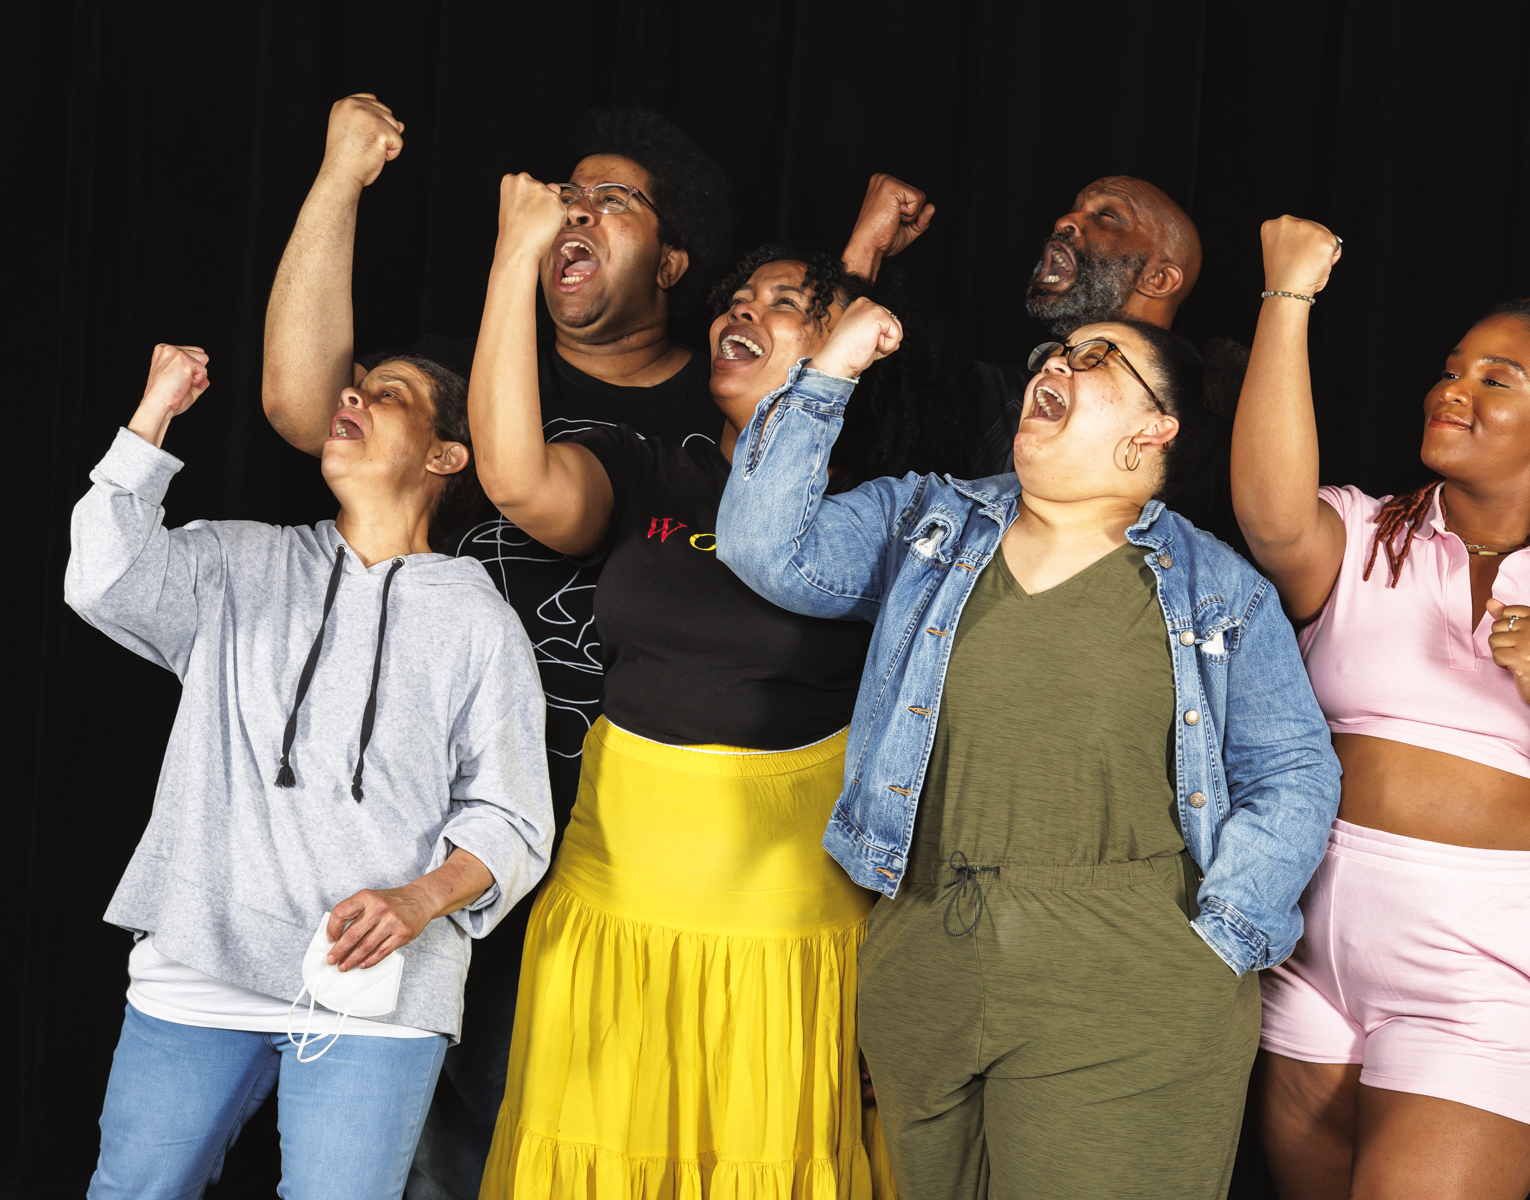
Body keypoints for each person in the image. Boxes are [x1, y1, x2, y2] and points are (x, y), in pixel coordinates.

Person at [716, 301, 1342, 1198]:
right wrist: (831, 369)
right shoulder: (928, 523)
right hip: (927, 953)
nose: (1056, 361)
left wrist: (1217, 940)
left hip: (1128, 976)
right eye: (1053, 349)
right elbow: (764, 547)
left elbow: (1293, 770)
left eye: (1094, 358)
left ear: (1152, 430)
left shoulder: (1217, 590)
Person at [260, 94, 735, 1199]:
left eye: (612, 205)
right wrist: (339, 178)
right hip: (416, 825)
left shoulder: (706, 419)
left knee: (549, 1142)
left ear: (672, 263)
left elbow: (536, 496)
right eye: (565, 198)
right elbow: (296, 404)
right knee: (405, 1144)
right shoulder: (456, 371)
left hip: (609, 850)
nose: (574, 214)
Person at [465, 164, 972, 1196]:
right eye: (740, 299)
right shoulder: (654, 467)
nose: (746, 309)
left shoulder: (881, 521)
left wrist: (853, 275)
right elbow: (516, 479)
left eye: (786, 305)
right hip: (612, 913)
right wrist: (515, 252)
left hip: (785, 939)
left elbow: (833, 372)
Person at [1231, 218, 1530, 1199]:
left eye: (1497, 378)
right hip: (1311, 941)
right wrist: (1289, 299)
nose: (1453, 389)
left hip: (1484, 965)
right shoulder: (1362, 534)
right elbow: (1273, 517)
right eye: (1452, 369)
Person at [68, 343, 553, 1200]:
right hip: (199, 962)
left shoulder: (480, 621)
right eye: (352, 389)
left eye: (388, 395)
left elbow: (513, 818)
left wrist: (417, 900)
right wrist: (154, 417)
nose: (352, 398)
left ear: (446, 456)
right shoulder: (236, 562)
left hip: (377, 994)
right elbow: (101, 578)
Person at [842, 172, 1244, 537]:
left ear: (1159, 278)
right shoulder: (1002, 397)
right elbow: (843, 383)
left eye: (1107, 215)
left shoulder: (1220, 437)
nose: (1065, 220)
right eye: (1075, 207)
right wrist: (866, 250)